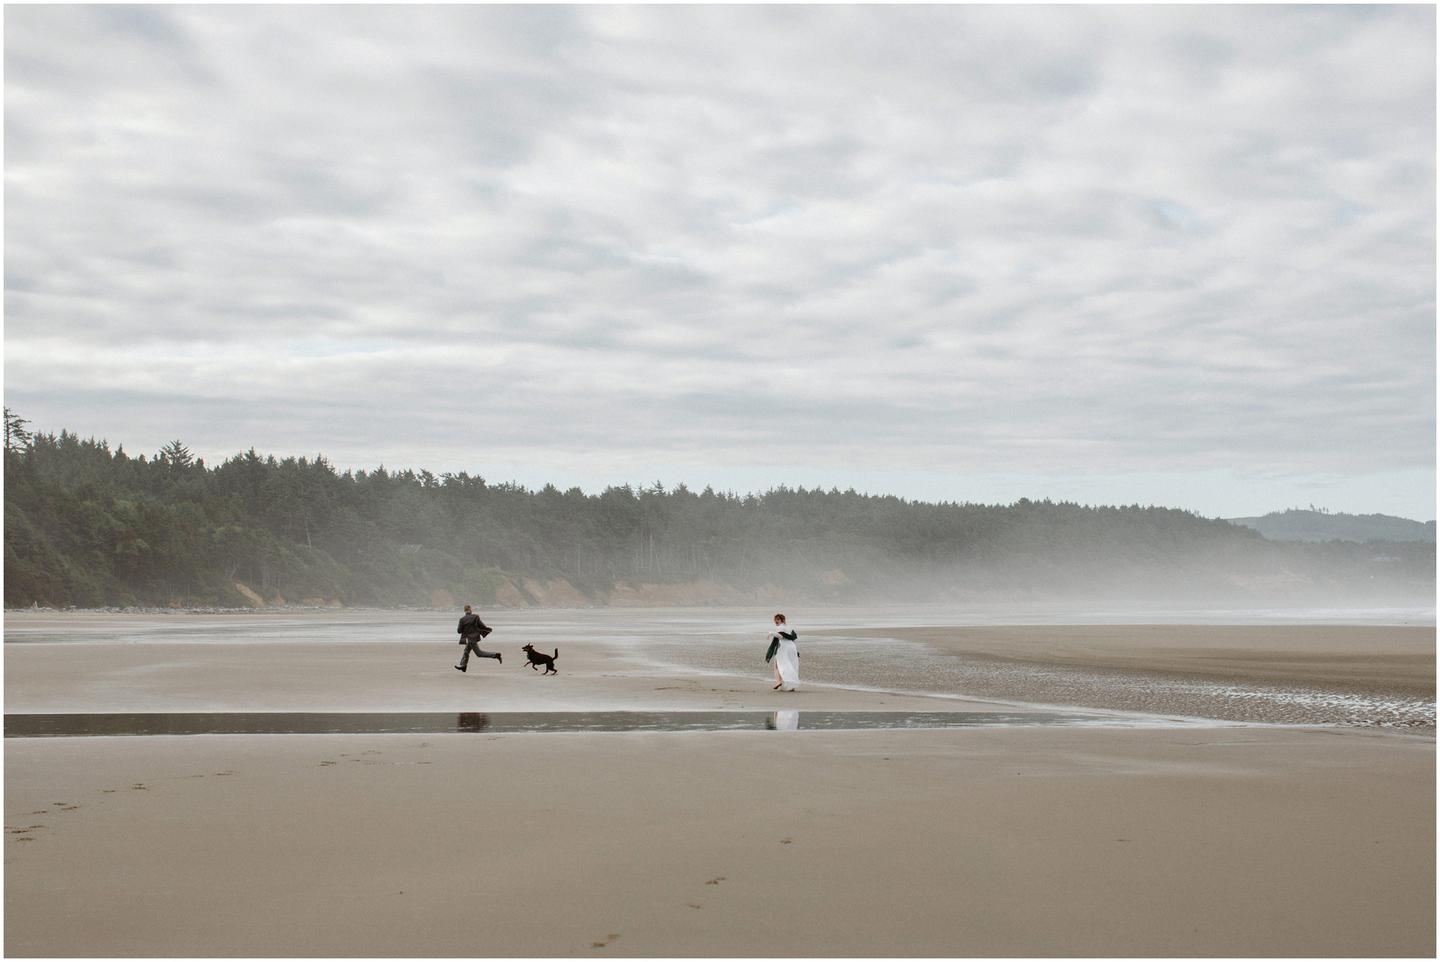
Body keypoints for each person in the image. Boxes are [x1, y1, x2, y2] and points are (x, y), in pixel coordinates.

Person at [454, 604, 501, 672]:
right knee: (466, 651)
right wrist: (487, 630)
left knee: (479, 653)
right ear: (470, 610)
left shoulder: (462, 619)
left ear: (464, 611)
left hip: (470, 639)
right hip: (475, 638)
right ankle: (463, 666)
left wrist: (465, 628)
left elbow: (459, 631)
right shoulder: (476, 617)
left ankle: (496, 655)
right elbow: (482, 626)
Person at [768, 612, 799, 691]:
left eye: (778, 619)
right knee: (790, 664)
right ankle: (791, 686)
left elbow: (781, 636)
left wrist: (771, 633)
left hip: (784, 647)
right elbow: (792, 638)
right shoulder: (789, 627)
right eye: (775, 620)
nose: (776, 621)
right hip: (791, 647)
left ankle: (778, 682)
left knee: (777, 664)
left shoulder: (780, 627)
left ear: (782, 620)